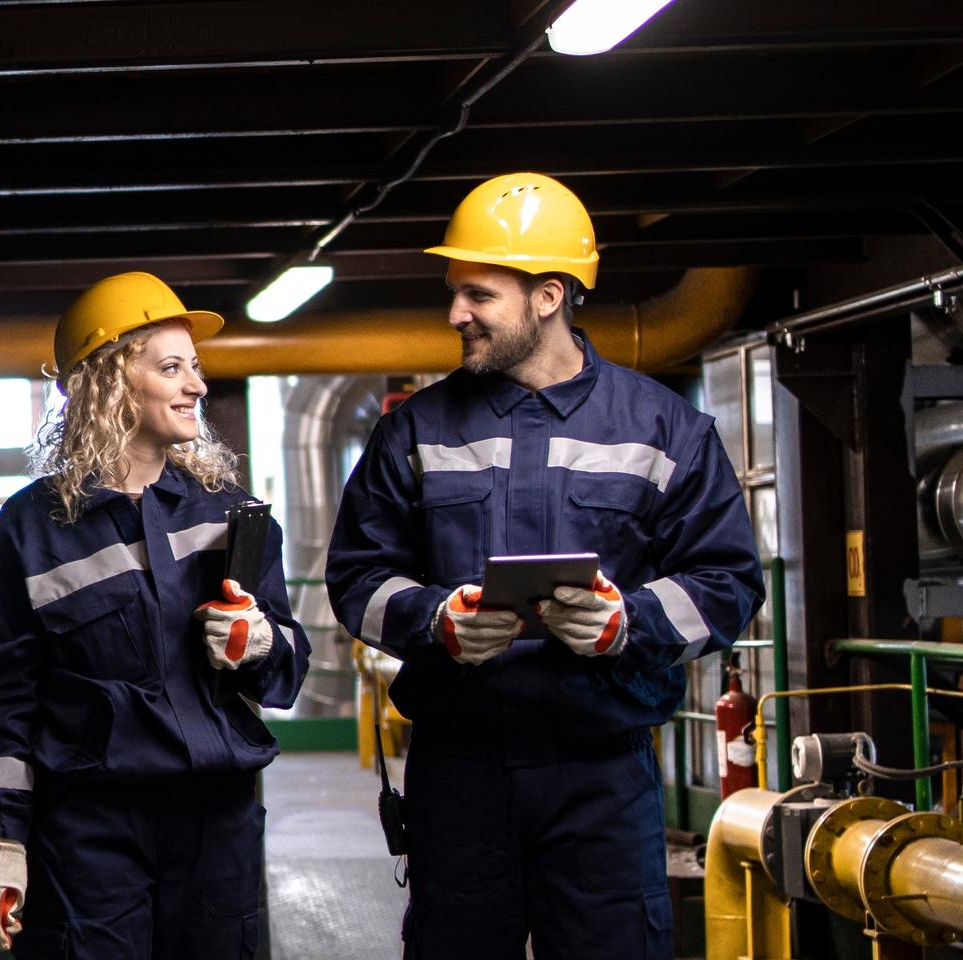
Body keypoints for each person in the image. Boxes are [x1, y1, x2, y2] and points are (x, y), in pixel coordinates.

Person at [324, 172, 767, 960]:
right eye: (455, 292)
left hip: (601, 776)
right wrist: (437, 622)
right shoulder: (415, 432)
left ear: (549, 296)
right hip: (460, 776)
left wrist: (627, 622)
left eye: (478, 295)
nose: (456, 313)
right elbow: (356, 579)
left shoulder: (666, 429)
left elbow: (728, 581)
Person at [0, 272, 312, 959]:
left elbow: (286, 665)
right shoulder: (17, 540)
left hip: (218, 821)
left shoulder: (227, 515)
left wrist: (261, 642)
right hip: (88, 833)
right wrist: (1, 838)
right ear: (108, 382)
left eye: (194, 367)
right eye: (171, 368)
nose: (197, 386)